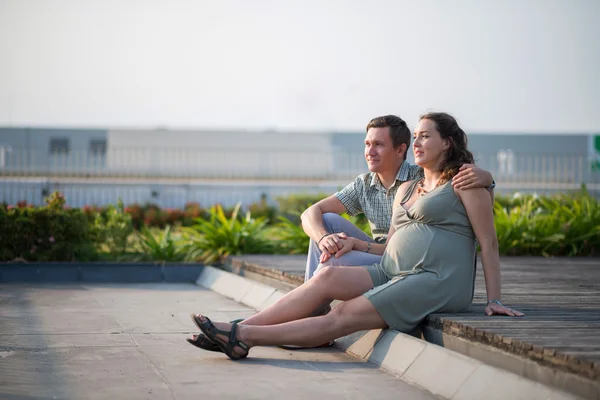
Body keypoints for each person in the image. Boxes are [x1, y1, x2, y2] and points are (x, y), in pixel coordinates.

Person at [189, 112, 523, 360]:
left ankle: (242, 336)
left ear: (447, 143)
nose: (418, 143)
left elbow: (488, 242)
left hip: (435, 279)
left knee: (343, 315)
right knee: (327, 276)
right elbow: (391, 244)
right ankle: (235, 328)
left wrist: (494, 300)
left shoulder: (466, 182)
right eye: (417, 136)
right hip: (391, 269)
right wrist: (356, 244)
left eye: (425, 136)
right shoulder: (407, 188)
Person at [300, 114, 495, 282]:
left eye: (378, 145)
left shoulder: (422, 177)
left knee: (332, 263)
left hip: (409, 260)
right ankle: (312, 302)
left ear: (400, 150)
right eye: (367, 144)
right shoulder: (364, 184)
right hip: (375, 252)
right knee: (326, 220)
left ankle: (310, 301)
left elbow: (462, 183)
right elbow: (310, 213)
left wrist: (487, 179)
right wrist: (324, 238)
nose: (370, 152)